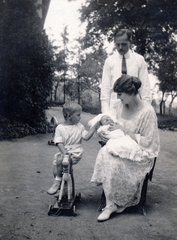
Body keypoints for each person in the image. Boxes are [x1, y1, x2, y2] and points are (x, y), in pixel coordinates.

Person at [91, 75, 160, 222]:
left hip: (140, 155)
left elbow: (149, 142)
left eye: (120, 94)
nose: (118, 97)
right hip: (118, 147)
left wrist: (124, 130)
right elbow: (110, 123)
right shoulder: (117, 105)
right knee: (106, 153)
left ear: (131, 92)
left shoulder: (147, 112)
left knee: (112, 160)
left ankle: (114, 204)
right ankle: (112, 203)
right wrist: (106, 132)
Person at [47, 102, 99, 195]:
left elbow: (86, 137)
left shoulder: (80, 127)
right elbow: (59, 143)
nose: (80, 117)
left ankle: (57, 183)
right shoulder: (60, 128)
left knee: (62, 165)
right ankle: (64, 188)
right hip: (64, 152)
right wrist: (65, 153)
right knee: (56, 171)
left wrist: (94, 128)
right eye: (78, 115)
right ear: (69, 116)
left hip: (75, 152)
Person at [101, 28, 152, 116]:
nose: (120, 48)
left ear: (130, 42)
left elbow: (145, 88)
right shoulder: (109, 61)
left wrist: (145, 111)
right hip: (114, 109)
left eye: (124, 44)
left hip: (134, 109)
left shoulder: (139, 60)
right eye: (118, 44)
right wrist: (106, 114)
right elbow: (105, 89)